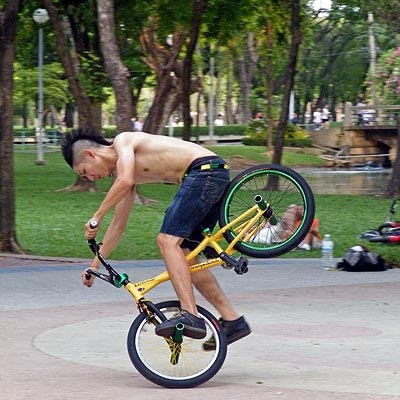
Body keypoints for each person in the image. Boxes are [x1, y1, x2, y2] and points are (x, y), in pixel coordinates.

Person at [61, 128, 251, 345]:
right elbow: (118, 225)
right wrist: (95, 266)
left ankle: (190, 314)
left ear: (90, 154)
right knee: (186, 256)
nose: (90, 178)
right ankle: (233, 321)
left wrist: (96, 217)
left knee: (166, 241)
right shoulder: (126, 176)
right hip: (205, 177)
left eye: (85, 172)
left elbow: (124, 181)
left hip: (204, 171)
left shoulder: (123, 141)